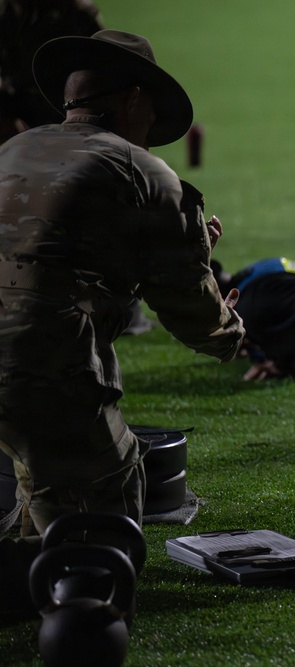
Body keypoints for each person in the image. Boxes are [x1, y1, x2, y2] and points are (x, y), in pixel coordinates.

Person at [0, 29, 244, 618]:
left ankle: (27, 580)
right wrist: (229, 326)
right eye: (151, 110)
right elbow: (191, 310)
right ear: (134, 100)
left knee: (45, 470)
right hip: (40, 362)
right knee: (98, 512)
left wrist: (180, 247)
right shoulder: (143, 172)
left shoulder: (16, 150)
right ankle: (78, 615)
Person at [0, 0, 103, 142]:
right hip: (18, 115)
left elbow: (98, 73)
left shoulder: (74, 14)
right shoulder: (6, 13)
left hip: (63, 117)